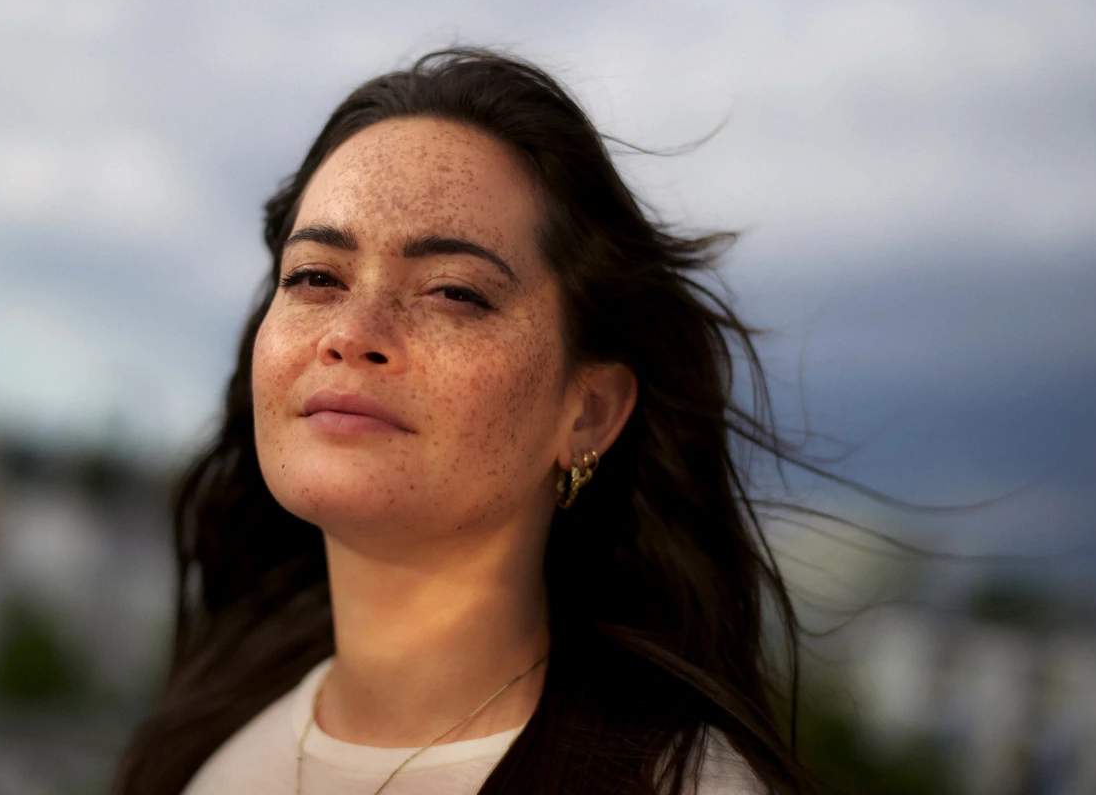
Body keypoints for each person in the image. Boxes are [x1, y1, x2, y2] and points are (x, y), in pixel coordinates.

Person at [112, 47, 819, 794]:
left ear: (589, 412)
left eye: (452, 292)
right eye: (315, 276)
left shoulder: (681, 786)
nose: (352, 332)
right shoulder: (198, 750)